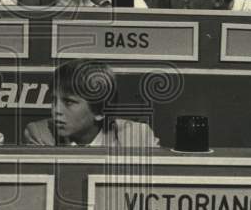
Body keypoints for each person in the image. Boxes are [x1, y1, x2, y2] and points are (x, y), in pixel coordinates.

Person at [23, 60, 159, 147]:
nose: (55, 110)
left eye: (69, 102)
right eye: (54, 100)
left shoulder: (137, 137)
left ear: (100, 111)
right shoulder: (40, 134)